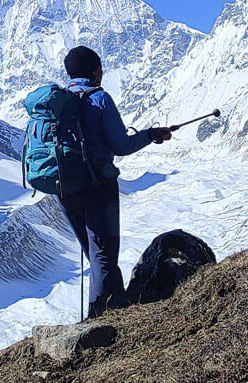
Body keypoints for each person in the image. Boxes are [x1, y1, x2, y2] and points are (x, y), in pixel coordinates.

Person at [60, 45, 171, 317]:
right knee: (103, 254)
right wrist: (151, 135)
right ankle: (103, 318)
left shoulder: (59, 102)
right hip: (98, 186)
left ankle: (113, 305)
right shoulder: (99, 99)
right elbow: (121, 146)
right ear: (97, 71)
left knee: (94, 252)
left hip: (64, 188)